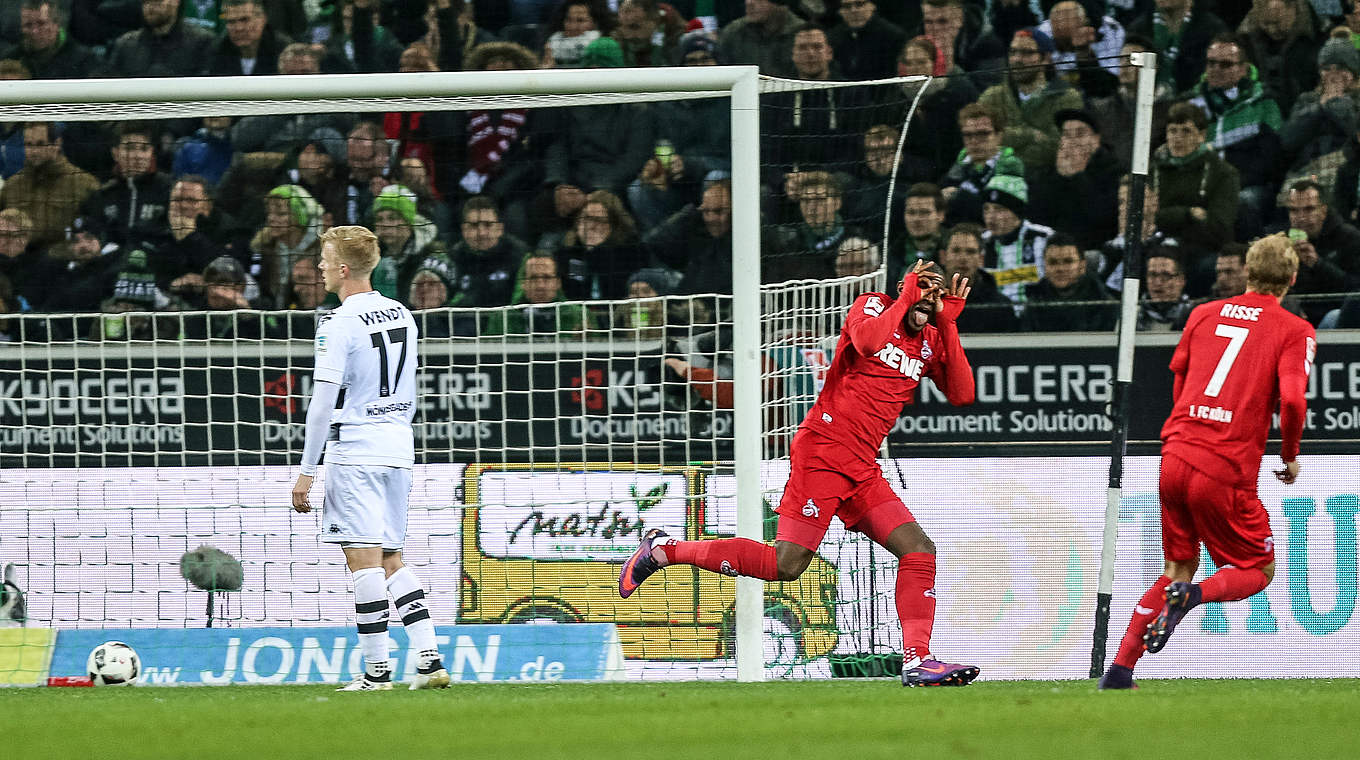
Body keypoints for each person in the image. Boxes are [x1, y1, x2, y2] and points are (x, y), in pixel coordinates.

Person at [619, 259, 980, 687]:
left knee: (919, 549)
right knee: (786, 564)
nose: (929, 296)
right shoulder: (872, 306)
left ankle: (918, 659)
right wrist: (905, 297)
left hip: (862, 466)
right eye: (923, 285)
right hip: (824, 452)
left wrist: (949, 324)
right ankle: (665, 549)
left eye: (937, 291)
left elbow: (962, 394)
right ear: (905, 284)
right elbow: (866, 344)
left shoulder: (932, 338)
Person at [1100, 233, 1315, 690]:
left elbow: (1178, 376)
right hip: (1225, 465)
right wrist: (1290, 456)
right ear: (1292, 278)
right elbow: (1294, 400)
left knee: (1177, 565)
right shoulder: (1295, 330)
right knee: (1259, 570)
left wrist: (1186, 431)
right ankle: (1192, 597)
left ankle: (1119, 670)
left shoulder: (1203, 313)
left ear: (1247, 271)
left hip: (1175, 454)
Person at [290, 225, 450, 692]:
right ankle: (428, 660)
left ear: (342, 269)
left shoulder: (336, 325)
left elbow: (322, 403)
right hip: (399, 447)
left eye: (323, 260)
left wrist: (305, 472)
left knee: (362, 561)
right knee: (390, 557)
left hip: (356, 449)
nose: (319, 268)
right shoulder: (402, 314)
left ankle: (376, 674)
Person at [0, 122, 101, 247]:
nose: (34, 151)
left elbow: (96, 233)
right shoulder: (12, 186)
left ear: (57, 144)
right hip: (16, 260)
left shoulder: (84, 184)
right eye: (28, 145)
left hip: (61, 261)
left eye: (40, 144)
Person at [1019, 232, 1117, 332]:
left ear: (1082, 266)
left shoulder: (1105, 306)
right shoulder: (1032, 307)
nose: (1060, 269)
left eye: (1068, 261)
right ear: (1045, 267)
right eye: (1053, 262)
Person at [106, 0, 217, 78]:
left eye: (157, 1)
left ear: (176, 2)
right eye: (145, 2)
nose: (150, 7)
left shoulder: (202, 42)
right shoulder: (126, 45)